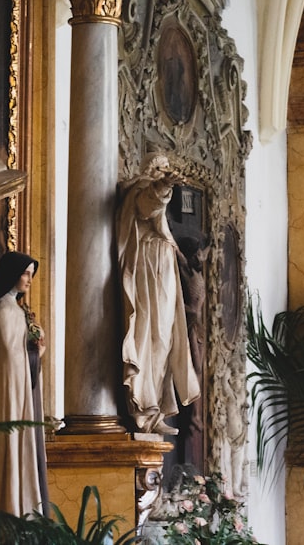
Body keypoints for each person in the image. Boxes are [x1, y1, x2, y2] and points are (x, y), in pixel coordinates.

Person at [118, 153, 200, 435]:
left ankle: (158, 409)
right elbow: (146, 207)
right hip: (148, 270)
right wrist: (163, 187)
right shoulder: (139, 189)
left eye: (167, 170)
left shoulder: (151, 192)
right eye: (161, 168)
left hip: (164, 272)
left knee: (166, 340)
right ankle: (146, 407)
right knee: (150, 338)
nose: (166, 172)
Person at [0, 252, 49, 518]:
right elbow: (9, 358)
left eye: (32, 274)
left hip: (20, 393)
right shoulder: (2, 310)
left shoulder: (14, 310)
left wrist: (33, 349)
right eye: (25, 273)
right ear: (11, 274)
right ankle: (14, 509)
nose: (29, 280)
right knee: (12, 450)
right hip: (10, 398)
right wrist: (36, 353)